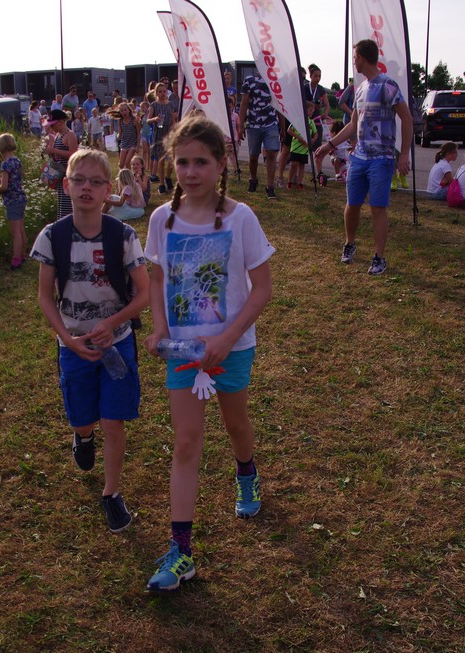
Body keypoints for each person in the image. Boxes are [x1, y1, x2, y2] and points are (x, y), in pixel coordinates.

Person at [143, 114, 274, 592]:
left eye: (201, 161)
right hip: (183, 352)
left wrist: (226, 338)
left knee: (236, 425)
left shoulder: (241, 218)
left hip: (231, 348)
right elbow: (156, 277)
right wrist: (160, 328)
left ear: (221, 164)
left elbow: (262, 289)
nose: (191, 171)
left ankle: (246, 471)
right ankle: (181, 551)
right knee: (186, 442)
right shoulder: (162, 219)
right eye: (182, 162)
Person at [30, 149, 149, 534]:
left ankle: (111, 493)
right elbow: (45, 297)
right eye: (79, 180)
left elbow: (144, 293)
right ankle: (82, 437)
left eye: (96, 182)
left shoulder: (123, 236)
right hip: (74, 347)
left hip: (118, 344)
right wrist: (68, 338)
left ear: (107, 190)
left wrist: (113, 322)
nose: (86, 188)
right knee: (83, 417)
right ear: (66, 185)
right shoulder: (53, 236)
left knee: (113, 420)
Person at [314, 39, 412, 276]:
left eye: (355, 57)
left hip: (382, 159)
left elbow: (407, 119)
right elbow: (352, 125)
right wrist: (329, 145)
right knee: (352, 204)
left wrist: (404, 154)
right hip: (359, 158)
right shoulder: (360, 89)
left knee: (378, 208)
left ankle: (379, 257)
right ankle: (349, 243)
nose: (353, 62)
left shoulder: (388, 85)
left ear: (362, 58)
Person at [238, 69, 280, 200]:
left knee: (271, 153)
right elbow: (244, 103)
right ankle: (253, 179)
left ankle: (270, 186)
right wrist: (241, 125)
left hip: (271, 123)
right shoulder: (249, 81)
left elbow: (280, 105)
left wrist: (283, 128)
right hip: (253, 124)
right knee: (253, 156)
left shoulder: (275, 81)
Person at [0, 133, 28, 270]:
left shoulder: (5, 164)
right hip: (21, 198)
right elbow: (13, 180)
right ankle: (23, 255)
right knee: (21, 230)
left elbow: (5, 186)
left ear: (0, 147)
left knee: (15, 233)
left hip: (12, 200)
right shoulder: (17, 161)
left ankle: (16, 259)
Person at [44, 109, 79, 220]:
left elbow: (74, 154)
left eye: (53, 124)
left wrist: (54, 150)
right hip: (59, 175)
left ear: (61, 122)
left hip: (68, 174)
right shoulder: (58, 135)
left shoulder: (70, 135)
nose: (51, 127)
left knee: (67, 205)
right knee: (62, 205)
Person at [147, 82, 176, 194]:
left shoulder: (170, 104)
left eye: (164, 91)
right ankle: (162, 184)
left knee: (172, 158)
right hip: (158, 134)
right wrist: (155, 119)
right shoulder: (153, 105)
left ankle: (168, 177)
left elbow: (173, 121)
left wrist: (173, 129)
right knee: (161, 160)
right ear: (156, 93)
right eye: (160, 92)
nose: (163, 94)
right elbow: (148, 120)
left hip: (169, 134)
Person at [287, 100, 321, 189]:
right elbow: (289, 130)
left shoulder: (311, 122)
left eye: (313, 111)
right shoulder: (297, 120)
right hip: (296, 147)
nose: (312, 112)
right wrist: (298, 137)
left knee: (302, 165)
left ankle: (300, 182)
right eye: (310, 110)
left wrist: (311, 141)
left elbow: (316, 134)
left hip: (305, 148)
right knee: (294, 164)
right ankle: (289, 181)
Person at [116, 102, 140, 170]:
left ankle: (130, 175)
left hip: (133, 143)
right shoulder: (120, 121)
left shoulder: (134, 120)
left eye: (125, 110)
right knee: (121, 164)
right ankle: (122, 175)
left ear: (129, 110)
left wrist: (137, 146)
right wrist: (117, 137)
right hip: (124, 143)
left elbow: (139, 133)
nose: (124, 112)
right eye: (121, 110)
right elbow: (120, 133)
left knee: (127, 162)